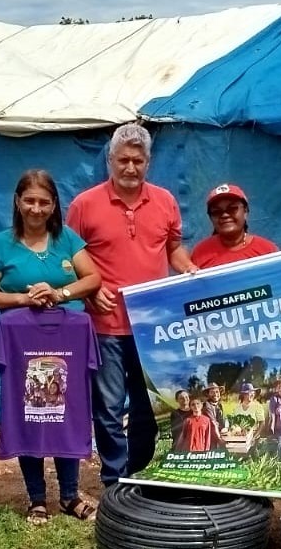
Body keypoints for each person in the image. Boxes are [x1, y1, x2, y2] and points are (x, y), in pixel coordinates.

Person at [66, 123, 196, 485]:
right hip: (105, 323)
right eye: (123, 160)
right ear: (110, 160)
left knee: (146, 407)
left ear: (148, 162)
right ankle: (112, 479)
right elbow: (70, 258)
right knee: (108, 407)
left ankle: (137, 475)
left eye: (137, 161)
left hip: (153, 326)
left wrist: (187, 268)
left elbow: (173, 248)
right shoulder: (84, 205)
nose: (130, 168)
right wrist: (90, 290)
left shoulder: (165, 201)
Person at [0, 170, 102, 524]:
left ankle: (71, 495)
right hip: (23, 343)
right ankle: (36, 499)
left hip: (67, 341)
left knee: (66, 412)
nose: (36, 208)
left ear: (54, 204)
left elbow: (93, 278)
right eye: (29, 200)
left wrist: (60, 293)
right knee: (28, 410)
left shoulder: (66, 239)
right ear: (18, 202)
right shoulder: (2, 243)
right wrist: (22, 298)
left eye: (44, 201)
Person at [189, 184, 279, 269]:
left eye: (232, 209)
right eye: (217, 211)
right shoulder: (200, 253)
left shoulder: (267, 250)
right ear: (211, 218)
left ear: (245, 211)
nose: (224, 215)